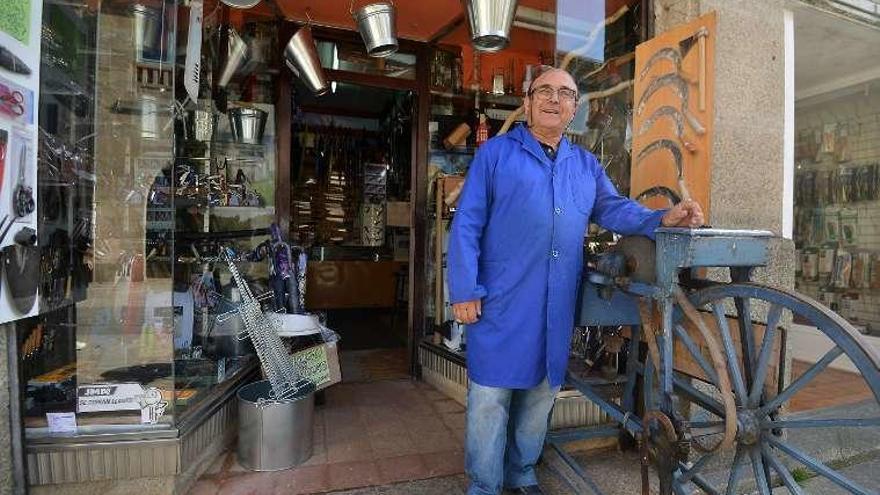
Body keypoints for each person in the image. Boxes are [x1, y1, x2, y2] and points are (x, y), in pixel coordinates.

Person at [447, 66, 704, 495]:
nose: (553, 99)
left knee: (540, 393)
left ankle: (522, 472)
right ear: (526, 103)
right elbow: (467, 224)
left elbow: (616, 210)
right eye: (543, 90)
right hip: (499, 300)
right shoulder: (496, 155)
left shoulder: (584, 165)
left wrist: (664, 217)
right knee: (490, 398)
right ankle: (485, 485)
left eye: (564, 93)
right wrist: (464, 289)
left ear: (574, 109)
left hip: (555, 301)